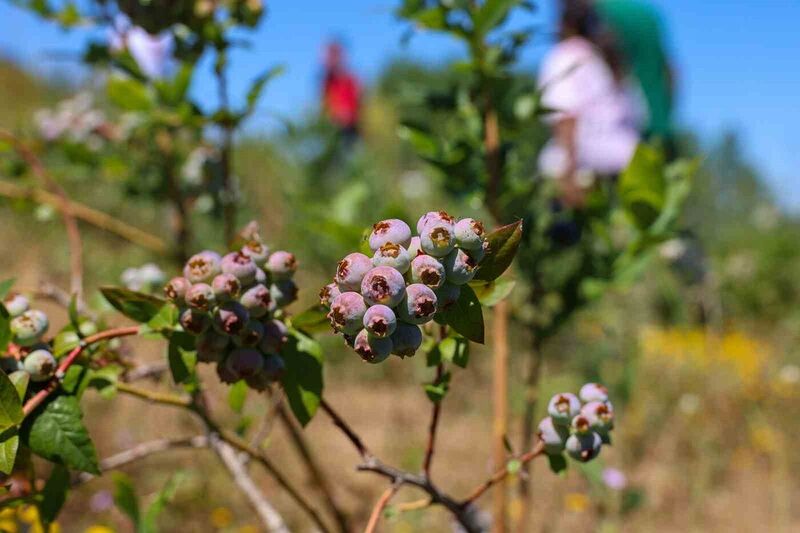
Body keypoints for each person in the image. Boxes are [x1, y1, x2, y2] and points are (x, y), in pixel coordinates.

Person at [538, 0, 642, 208]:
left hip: (590, 167)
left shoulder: (566, 56)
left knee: (549, 164)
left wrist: (568, 173)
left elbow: (565, 115)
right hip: (629, 166)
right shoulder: (604, 60)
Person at [595, 0, 675, 150]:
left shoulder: (601, 12)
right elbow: (671, 72)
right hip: (659, 125)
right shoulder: (649, 14)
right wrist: (664, 114)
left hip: (623, 130)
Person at [321, 41, 361, 141]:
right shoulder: (327, 82)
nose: (328, 60)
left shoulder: (350, 79)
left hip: (350, 130)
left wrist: (346, 115)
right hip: (332, 130)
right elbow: (325, 107)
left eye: (332, 55)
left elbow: (359, 106)